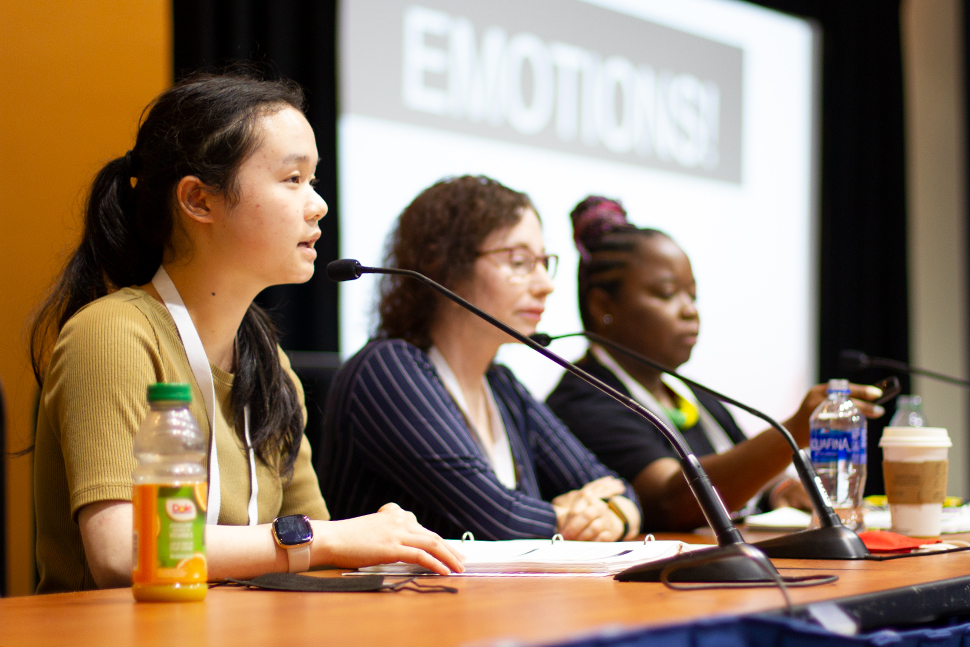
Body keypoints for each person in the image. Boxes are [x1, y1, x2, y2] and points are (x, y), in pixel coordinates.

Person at [29, 73, 462, 593]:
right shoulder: (115, 333)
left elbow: (321, 554)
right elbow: (125, 551)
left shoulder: (267, 362)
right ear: (199, 201)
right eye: (292, 179)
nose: (318, 204)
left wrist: (376, 545)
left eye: (314, 180)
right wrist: (326, 540)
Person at [319, 176, 641, 542]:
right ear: (446, 266)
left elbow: (613, 487)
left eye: (543, 262)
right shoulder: (385, 371)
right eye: (519, 262)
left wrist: (617, 515)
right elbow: (497, 521)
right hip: (389, 598)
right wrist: (574, 515)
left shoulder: (502, 385)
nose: (545, 284)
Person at [546, 196, 884, 531]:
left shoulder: (684, 391)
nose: (689, 310)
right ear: (602, 306)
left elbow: (741, 465)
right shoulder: (584, 399)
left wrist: (783, 490)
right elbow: (670, 501)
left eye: (691, 296)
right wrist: (792, 432)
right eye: (666, 294)